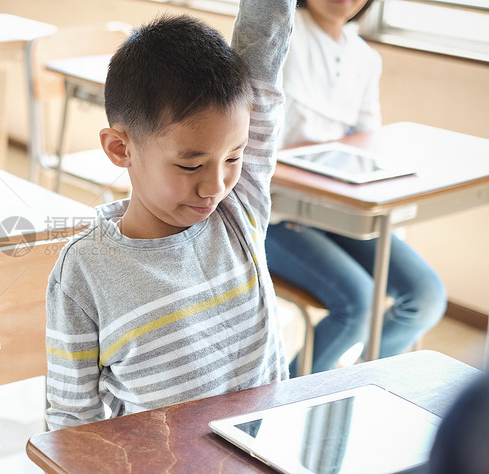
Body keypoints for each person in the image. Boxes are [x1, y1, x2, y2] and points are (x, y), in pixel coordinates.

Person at [44, 0, 294, 430]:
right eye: (190, 165)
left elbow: (263, 63)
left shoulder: (239, 208)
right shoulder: (84, 272)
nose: (216, 184)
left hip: (266, 455)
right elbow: (72, 422)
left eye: (234, 157)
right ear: (120, 149)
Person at [265, 0, 446, 375]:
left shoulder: (365, 58)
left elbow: (367, 140)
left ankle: (361, 379)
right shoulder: (277, 33)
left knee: (425, 297)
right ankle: (287, 398)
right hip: (272, 210)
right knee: (358, 305)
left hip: (336, 209)